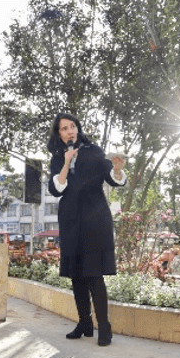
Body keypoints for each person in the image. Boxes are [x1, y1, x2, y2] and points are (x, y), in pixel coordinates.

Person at [47, 113, 126, 346]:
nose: (70, 131)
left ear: (78, 129)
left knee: (93, 274)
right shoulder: (57, 157)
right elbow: (56, 189)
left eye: (73, 126)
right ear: (59, 134)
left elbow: (112, 178)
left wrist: (118, 171)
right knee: (77, 275)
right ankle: (84, 322)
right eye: (64, 128)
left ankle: (104, 327)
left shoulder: (93, 150)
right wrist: (66, 163)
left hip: (95, 218)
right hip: (70, 218)